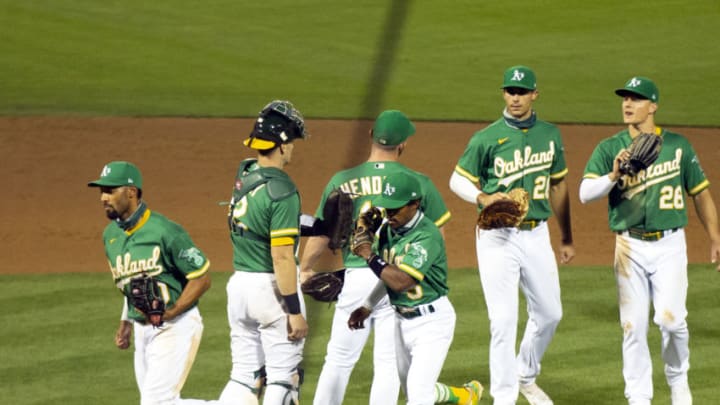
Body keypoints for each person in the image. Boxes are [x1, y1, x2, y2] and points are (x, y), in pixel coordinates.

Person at [579, 76, 720, 405]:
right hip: (629, 247)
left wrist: (715, 237)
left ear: (653, 106)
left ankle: (678, 378)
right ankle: (638, 397)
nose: (628, 104)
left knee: (671, 321)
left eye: (637, 99)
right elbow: (585, 194)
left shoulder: (678, 146)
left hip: (670, 245)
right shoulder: (610, 148)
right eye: (625, 99)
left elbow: (700, 194)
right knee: (633, 327)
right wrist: (613, 175)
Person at [299, 110, 451, 405]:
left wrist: (305, 268)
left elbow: (322, 233)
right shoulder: (416, 183)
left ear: (371, 136)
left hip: (354, 277)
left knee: (339, 359)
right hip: (392, 278)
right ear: (403, 144)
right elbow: (436, 239)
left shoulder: (341, 180)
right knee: (387, 365)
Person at [449, 65, 575, 405]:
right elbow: (457, 180)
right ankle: (503, 397)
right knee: (503, 322)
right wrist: (483, 197)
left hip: (537, 235)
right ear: (503, 94)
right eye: (510, 91)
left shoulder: (550, 135)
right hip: (497, 239)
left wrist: (566, 236)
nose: (515, 97)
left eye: (521, 92)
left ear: (535, 94)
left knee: (550, 314)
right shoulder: (486, 138)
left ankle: (525, 375)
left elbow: (558, 184)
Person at [348, 172, 482, 405]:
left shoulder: (426, 235)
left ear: (415, 204)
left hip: (432, 323)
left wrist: (369, 255)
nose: (389, 214)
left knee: (419, 395)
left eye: (395, 209)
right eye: (387, 208)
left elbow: (402, 281)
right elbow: (390, 275)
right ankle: (464, 396)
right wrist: (367, 306)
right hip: (401, 322)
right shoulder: (390, 230)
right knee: (414, 391)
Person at [88, 161, 212, 405]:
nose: (103, 197)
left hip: (175, 325)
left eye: (110, 191)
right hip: (142, 329)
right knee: (156, 402)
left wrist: (172, 312)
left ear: (131, 192)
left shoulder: (165, 231)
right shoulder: (110, 236)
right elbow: (131, 284)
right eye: (102, 191)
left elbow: (202, 277)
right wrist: (125, 323)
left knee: (156, 402)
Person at [217, 100, 309, 405]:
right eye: (292, 141)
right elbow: (282, 257)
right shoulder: (283, 190)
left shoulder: (245, 173)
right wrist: (294, 311)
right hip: (271, 292)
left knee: (244, 378)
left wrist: (313, 225)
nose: (294, 148)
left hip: (239, 288)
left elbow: (262, 223)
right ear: (282, 145)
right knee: (284, 381)